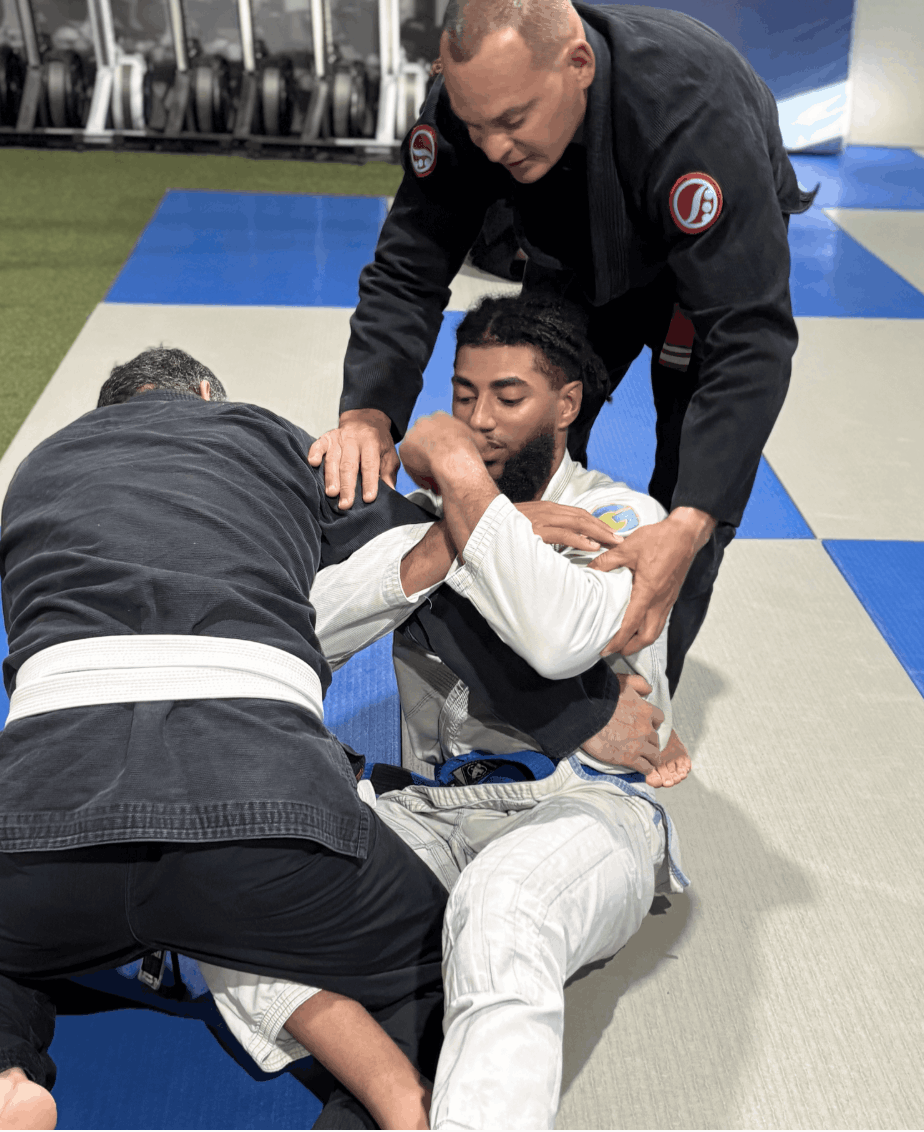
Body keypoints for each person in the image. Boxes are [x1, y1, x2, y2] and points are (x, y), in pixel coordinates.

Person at [0, 348, 454, 1130]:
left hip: (51, 814)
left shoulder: (40, 466)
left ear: (107, 415)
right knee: (434, 953)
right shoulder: (263, 436)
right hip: (261, 812)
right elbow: (418, 544)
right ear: (206, 395)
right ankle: (371, 1107)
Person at [210, 296, 693, 1129]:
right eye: (463, 397)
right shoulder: (422, 528)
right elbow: (299, 636)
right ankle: (395, 1086)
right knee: (220, 881)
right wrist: (445, 542)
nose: (479, 420)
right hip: (434, 814)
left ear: (567, 405)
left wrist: (471, 500)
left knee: (503, 906)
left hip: (585, 808)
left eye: (509, 398)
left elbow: (554, 641)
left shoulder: (622, 516)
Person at [308, 0, 811, 695]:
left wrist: (694, 520)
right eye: (476, 124)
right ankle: (509, 683)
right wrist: (366, 413)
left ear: (578, 64)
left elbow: (750, 336)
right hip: (576, 252)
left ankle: (636, 702)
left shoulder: (690, 113)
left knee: (682, 508)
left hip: (700, 275)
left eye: (512, 121)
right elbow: (407, 266)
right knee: (514, 443)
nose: (492, 147)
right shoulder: (469, 109)